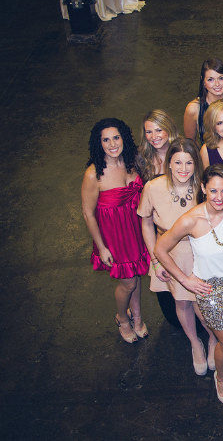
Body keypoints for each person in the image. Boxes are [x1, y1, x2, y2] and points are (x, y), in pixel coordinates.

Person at [155, 165, 223, 406]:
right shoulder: (191, 220)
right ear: (203, 188)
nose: (219, 197)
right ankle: (221, 377)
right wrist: (184, 279)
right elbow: (160, 248)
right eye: (213, 190)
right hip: (210, 291)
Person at [138, 138, 218, 376]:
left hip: (200, 251)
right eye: (178, 163)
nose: (183, 169)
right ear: (168, 164)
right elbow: (146, 221)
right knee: (181, 302)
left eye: (189, 163)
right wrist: (155, 260)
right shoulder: (153, 188)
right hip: (169, 254)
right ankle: (195, 343)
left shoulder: (205, 187)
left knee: (203, 304)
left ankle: (213, 338)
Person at [81, 118, 150, 343]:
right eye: (106, 139)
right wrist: (101, 247)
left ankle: (137, 316)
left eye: (116, 137)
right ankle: (122, 317)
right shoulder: (94, 174)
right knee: (128, 281)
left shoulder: (133, 162)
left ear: (124, 138)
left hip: (136, 228)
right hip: (115, 237)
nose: (112, 144)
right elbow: (88, 213)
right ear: (98, 143)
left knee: (136, 273)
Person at [137, 109, 179, 183]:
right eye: (149, 132)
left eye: (159, 130)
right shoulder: (141, 157)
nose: (154, 137)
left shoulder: (183, 150)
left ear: (169, 129)